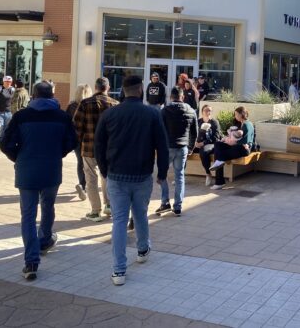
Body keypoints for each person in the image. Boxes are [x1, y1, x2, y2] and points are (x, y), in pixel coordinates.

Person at [94, 75, 169, 286]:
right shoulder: (152, 114)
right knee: (140, 214)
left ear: (124, 91)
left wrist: (105, 170)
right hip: (142, 174)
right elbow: (161, 146)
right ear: (141, 90)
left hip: (116, 175)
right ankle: (143, 249)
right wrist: (162, 173)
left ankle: (118, 270)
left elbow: (99, 146)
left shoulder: (110, 114)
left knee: (118, 221)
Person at [0, 81, 77, 281]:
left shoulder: (21, 116)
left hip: (27, 170)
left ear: (33, 96)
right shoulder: (62, 117)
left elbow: (5, 142)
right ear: (52, 96)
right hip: (51, 169)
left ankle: (31, 262)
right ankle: (45, 239)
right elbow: (72, 141)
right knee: (48, 206)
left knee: (28, 215)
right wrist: (58, 153)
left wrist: (18, 157)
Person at [73, 77, 119, 222]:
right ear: (108, 88)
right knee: (107, 176)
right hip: (109, 148)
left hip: (88, 147)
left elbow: (77, 127)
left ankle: (95, 210)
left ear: (96, 87)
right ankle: (109, 205)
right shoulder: (115, 104)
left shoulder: (85, 103)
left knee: (91, 179)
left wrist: (78, 142)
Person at [158, 87, 197, 216]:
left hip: (167, 147)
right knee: (179, 176)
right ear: (182, 97)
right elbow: (194, 132)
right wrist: (190, 147)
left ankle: (165, 202)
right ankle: (178, 206)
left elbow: (159, 130)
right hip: (182, 147)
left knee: (161, 174)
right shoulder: (191, 110)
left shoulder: (165, 110)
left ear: (171, 97)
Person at [208, 106, 254, 190]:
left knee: (219, 156)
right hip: (237, 146)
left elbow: (245, 141)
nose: (235, 116)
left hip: (242, 149)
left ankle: (219, 182)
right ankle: (218, 164)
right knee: (218, 144)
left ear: (241, 114)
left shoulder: (246, 125)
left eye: (236, 114)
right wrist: (227, 140)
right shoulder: (243, 123)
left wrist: (231, 141)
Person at [66, 84, 93, 201]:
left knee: (80, 162)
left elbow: (67, 123)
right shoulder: (90, 105)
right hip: (90, 139)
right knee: (91, 164)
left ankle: (82, 185)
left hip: (76, 139)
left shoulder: (72, 106)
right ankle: (87, 186)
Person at [194, 104, 223, 186]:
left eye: (209, 110)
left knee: (204, 151)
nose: (208, 112)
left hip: (211, 143)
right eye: (206, 110)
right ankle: (180, 175)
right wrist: (195, 142)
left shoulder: (214, 122)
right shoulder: (198, 121)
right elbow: (193, 133)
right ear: (202, 112)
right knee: (185, 150)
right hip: (197, 143)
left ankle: (208, 174)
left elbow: (216, 138)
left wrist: (203, 143)